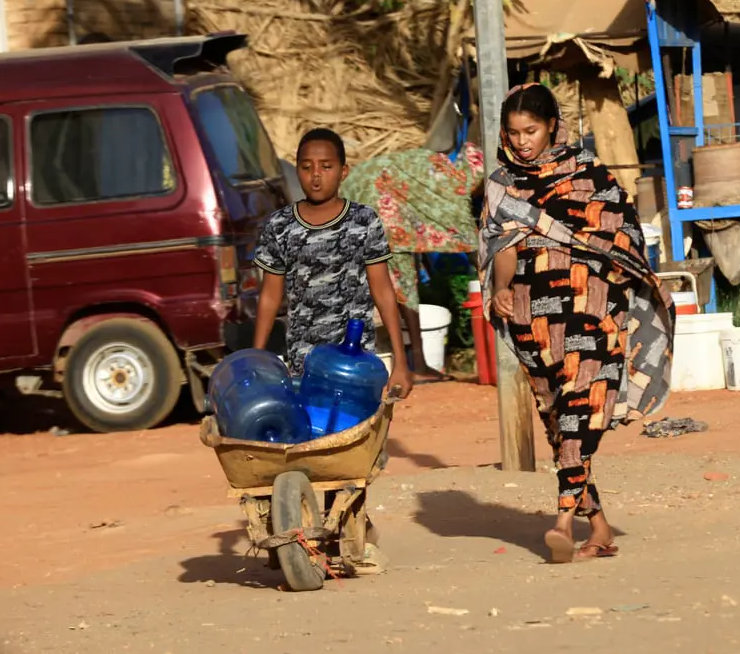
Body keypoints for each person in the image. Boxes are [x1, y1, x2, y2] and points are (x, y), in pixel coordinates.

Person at [478, 83, 675, 563]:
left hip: (592, 310)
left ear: (552, 127)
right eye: (514, 132)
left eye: (532, 130)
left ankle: (563, 518)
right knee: (558, 421)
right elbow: (503, 248)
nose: (523, 140)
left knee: (580, 407)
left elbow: (623, 240)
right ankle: (601, 529)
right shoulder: (502, 185)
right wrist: (502, 289)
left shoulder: (591, 176)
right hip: (531, 318)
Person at [253, 127, 413, 398]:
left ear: (343, 171)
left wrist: (401, 361)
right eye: (306, 167)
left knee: (359, 434)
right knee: (311, 436)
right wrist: (255, 359)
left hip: (356, 362)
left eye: (326, 167)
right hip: (305, 365)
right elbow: (270, 296)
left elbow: (383, 291)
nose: (316, 176)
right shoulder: (280, 225)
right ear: (297, 171)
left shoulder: (363, 220)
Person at [341, 143, 486, 383]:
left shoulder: (440, 168)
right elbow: (465, 237)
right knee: (402, 284)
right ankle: (413, 365)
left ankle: (410, 363)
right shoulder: (454, 183)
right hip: (378, 200)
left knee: (396, 282)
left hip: (364, 194)